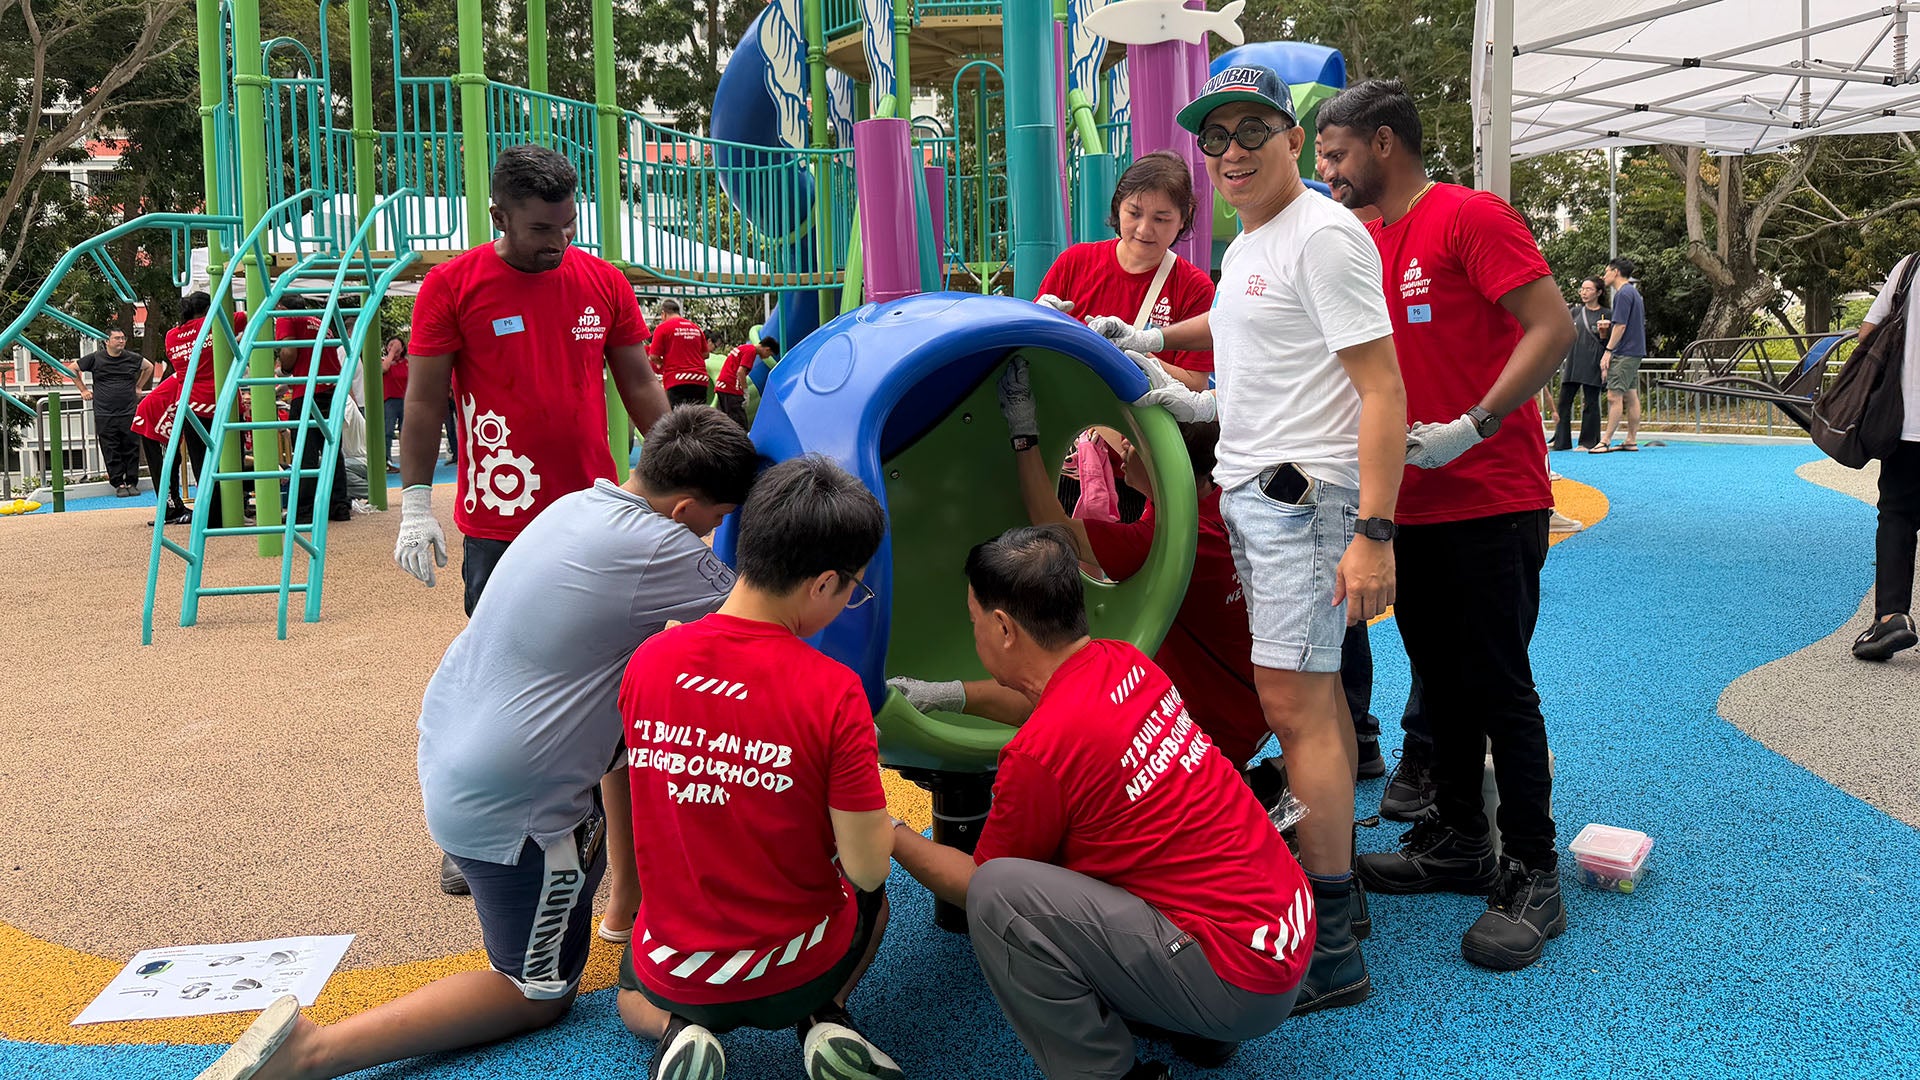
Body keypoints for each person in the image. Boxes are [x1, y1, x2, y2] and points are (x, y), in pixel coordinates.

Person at [191, 407, 757, 1080]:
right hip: (511, 805)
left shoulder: (579, 504)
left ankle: (623, 902)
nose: (711, 535)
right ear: (685, 506)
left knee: (629, 703)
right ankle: (315, 1052)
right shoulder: (665, 547)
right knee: (536, 992)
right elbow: (761, 621)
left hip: (454, 743)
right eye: (713, 520)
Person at [1086, 64, 1406, 1013]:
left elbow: (1383, 389)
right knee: (1319, 709)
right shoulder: (1252, 244)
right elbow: (1240, 352)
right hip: (1261, 495)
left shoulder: (1323, 237)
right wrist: (1148, 358)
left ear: (1294, 139)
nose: (1230, 152)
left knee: (1295, 709)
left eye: (1250, 131)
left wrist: (1376, 534)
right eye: (1214, 136)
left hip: (1303, 503)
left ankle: (1330, 946)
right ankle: (1339, 913)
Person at [1313, 78, 1576, 971]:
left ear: (1384, 143)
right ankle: (1461, 838)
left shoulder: (1469, 217)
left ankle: (1534, 868)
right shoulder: (1368, 241)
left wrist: (1477, 421)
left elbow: (1553, 325)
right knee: (1439, 676)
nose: (1326, 171)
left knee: (1500, 683)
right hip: (1410, 506)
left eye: (1336, 153)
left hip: (1493, 497)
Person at [889, 526, 1311, 1080]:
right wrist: (949, 695)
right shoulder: (1124, 663)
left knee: (1003, 897)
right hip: (1281, 931)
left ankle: (1104, 1071)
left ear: (1002, 628)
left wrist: (886, 828)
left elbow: (976, 882)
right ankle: (1191, 1022)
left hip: (1238, 979)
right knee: (1089, 846)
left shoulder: (1039, 755)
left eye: (974, 622)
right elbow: (1043, 704)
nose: (974, 633)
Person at [615, 455, 901, 1080]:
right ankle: (826, 1018)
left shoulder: (648, 662)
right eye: (855, 588)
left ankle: (678, 1035)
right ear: (823, 584)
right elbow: (868, 866)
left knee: (627, 988)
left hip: (679, 966)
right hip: (799, 963)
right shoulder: (834, 690)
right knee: (873, 900)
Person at [890, 363, 1269, 776]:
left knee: (1075, 689)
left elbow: (1051, 526)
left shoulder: (1173, 538)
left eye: (1137, 446)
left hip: (1204, 728)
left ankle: (1248, 780)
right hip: (1250, 705)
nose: (1124, 448)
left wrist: (1023, 431)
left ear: (1170, 466)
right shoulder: (1216, 506)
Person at [396, 143, 670, 616]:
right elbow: (422, 401)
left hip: (590, 505)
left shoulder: (604, 281)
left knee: (599, 648)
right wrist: (416, 506)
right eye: (542, 228)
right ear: (499, 217)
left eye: (569, 224)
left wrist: (682, 466)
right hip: (500, 512)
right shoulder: (451, 286)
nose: (560, 241)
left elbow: (641, 386)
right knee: (500, 656)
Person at [1035, 151, 1216, 390]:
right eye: (1134, 213)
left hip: (1140, 424)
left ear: (1184, 218)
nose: (1144, 229)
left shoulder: (1195, 287)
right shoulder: (1074, 261)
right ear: (1118, 206)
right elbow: (1032, 351)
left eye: (1161, 219)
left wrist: (1133, 355)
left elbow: (1196, 384)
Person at [1849, 255, 1920, 661]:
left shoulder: (1909, 268)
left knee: (1897, 513)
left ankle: (1892, 617)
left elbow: (1868, 333)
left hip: (1908, 420)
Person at [165, 291, 247, 527]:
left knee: (202, 464)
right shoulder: (217, 322)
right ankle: (232, 511)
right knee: (232, 460)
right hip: (222, 401)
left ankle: (212, 515)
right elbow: (246, 316)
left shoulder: (172, 335)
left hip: (189, 404)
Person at [273, 299, 352, 525]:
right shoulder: (318, 321)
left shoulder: (287, 318)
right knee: (331, 450)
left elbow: (289, 351)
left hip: (308, 392)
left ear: (281, 307)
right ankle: (339, 505)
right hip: (330, 388)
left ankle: (305, 509)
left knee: (305, 452)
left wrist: (286, 369)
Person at [75, 329, 150, 496]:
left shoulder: (131, 358)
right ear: (107, 341)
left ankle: (132, 481)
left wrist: (139, 386)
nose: (121, 341)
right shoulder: (96, 358)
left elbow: (149, 367)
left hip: (128, 410)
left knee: (131, 446)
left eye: (123, 338)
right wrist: (83, 390)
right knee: (110, 448)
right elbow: (72, 369)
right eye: (117, 338)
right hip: (104, 412)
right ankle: (118, 484)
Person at [1594, 257, 1646, 452]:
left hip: (1625, 351)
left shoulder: (1623, 294)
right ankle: (1631, 439)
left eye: (1606, 271)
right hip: (1634, 350)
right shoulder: (1633, 293)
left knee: (1614, 395)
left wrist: (1608, 350)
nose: (1604, 275)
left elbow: (1621, 325)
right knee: (1631, 395)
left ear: (1615, 272)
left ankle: (1605, 440)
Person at [131, 358, 192, 525]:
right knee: (167, 464)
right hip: (155, 418)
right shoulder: (190, 376)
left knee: (172, 461)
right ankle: (172, 510)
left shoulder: (187, 374)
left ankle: (173, 507)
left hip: (158, 416)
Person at [1552, 277, 1609, 452]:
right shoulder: (1575, 311)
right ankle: (1561, 441)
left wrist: (1604, 334)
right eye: (1582, 289)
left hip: (1593, 362)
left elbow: (1609, 342)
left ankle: (1588, 441)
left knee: (1591, 403)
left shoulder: (1607, 314)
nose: (1584, 292)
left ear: (1599, 292)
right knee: (1564, 402)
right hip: (1573, 362)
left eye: (1588, 289)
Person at [648, 299, 713, 409]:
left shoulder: (663, 328)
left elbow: (653, 356)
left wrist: (666, 363)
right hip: (699, 380)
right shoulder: (695, 327)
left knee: (678, 419)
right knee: (698, 417)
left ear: (663, 314)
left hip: (677, 380)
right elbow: (706, 354)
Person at [714, 336, 774, 429]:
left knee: (724, 421)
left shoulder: (744, 347)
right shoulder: (751, 351)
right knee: (740, 424)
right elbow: (740, 372)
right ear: (767, 349)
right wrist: (746, 392)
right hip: (731, 388)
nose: (767, 357)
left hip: (722, 386)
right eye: (770, 355)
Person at [381, 333, 408, 471]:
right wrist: (391, 352)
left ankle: (408, 461)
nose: (394, 349)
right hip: (389, 401)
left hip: (405, 401)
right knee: (388, 431)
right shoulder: (384, 362)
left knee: (406, 432)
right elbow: (383, 369)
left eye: (397, 346)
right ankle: (387, 461)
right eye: (390, 345)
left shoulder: (408, 363)